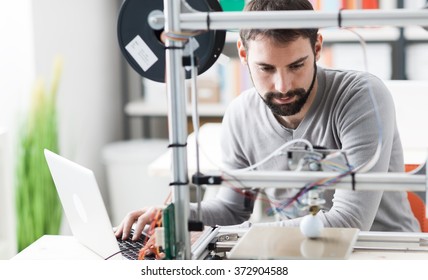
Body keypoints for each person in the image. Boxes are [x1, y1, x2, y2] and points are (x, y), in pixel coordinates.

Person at [115, 0, 420, 241]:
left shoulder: (360, 96)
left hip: (383, 254)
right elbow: (231, 209)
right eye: (266, 68)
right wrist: (176, 215)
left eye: (296, 65)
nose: (283, 86)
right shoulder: (240, 115)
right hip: (299, 254)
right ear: (243, 54)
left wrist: (251, 236)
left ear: (317, 48)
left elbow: (349, 222)